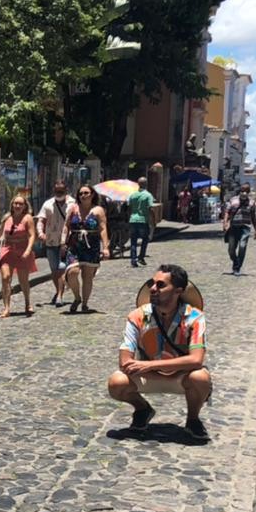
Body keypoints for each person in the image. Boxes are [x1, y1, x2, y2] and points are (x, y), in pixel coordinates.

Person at [107, 263, 212, 442]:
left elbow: (196, 360)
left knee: (200, 378)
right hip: (148, 377)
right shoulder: (137, 316)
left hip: (180, 377)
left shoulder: (194, 317)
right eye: (152, 284)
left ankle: (193, 419)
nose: (153, 289)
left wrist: (147, 365)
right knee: (116, 382)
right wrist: (147, 368)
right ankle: (142, 409)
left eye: (161, 285)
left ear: (178, 291)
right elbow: (125, 361)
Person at [0, 194, 37, 318]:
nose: (18, 206)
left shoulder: (28, 218)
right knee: (6, 278)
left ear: (25, 206)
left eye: (20, 204)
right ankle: (6, 308)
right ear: (12, 205)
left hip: (22, 250)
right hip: (7, 250)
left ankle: (27, 303)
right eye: (16, 203)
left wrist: (28, 250)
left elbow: (31, 236)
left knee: (23, 280)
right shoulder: (7, 218)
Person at [62, 185, 110, 313]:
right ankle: (77, 297)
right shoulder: (73, 208)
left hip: (91, 245)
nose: (83, 195)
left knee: (87, 276)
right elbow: (66, 226)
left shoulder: (98, 210)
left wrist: (105, 247)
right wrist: (62, 242)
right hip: (75, 245)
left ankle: (84, 303)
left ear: (92, 195)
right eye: (81, 193)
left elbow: (103, 229)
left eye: (86, 193)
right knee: (72, 272)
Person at [36, 180, 76, 306]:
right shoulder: (48, 204)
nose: (59, 193)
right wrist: (40, 233)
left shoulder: (73, 203)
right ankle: (58, 290)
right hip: (51, 240)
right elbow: (41, 220)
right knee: (54, 270)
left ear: (66, 190)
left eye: (61, 191)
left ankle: (60, 295)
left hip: (67, 242)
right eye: (57, 191)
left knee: (61, 268)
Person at [221, 184, 256, 276]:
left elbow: (253, 217)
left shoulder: (251, 203)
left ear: (249, 192)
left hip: (245, 228)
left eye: (246, 191)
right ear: (240, 190)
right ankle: (236, 261)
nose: (244, 192)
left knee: (242, 246)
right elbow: (227, 212)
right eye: (242, 190)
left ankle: (237, 268)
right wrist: (225, 223)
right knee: (231, 250)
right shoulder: (233, 200)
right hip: (233, 227)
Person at [127, 178, 156, 267]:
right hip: (143, 220)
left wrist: (130, 217)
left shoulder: (133, 195)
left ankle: (133, 259)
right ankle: (141, 257)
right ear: (146, 184)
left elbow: (129, 208)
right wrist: (153, 220)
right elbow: (150, 208)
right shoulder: (148, 195)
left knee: (133, 241)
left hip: (133, 219)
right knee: (145, 239)